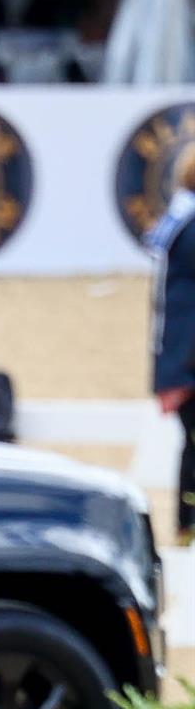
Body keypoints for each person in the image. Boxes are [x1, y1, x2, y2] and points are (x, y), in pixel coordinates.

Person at [147, 157, 195, 548]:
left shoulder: (178, 221)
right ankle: (187, 526)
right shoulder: (190, 227)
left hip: (179, 357)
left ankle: (186, 527)